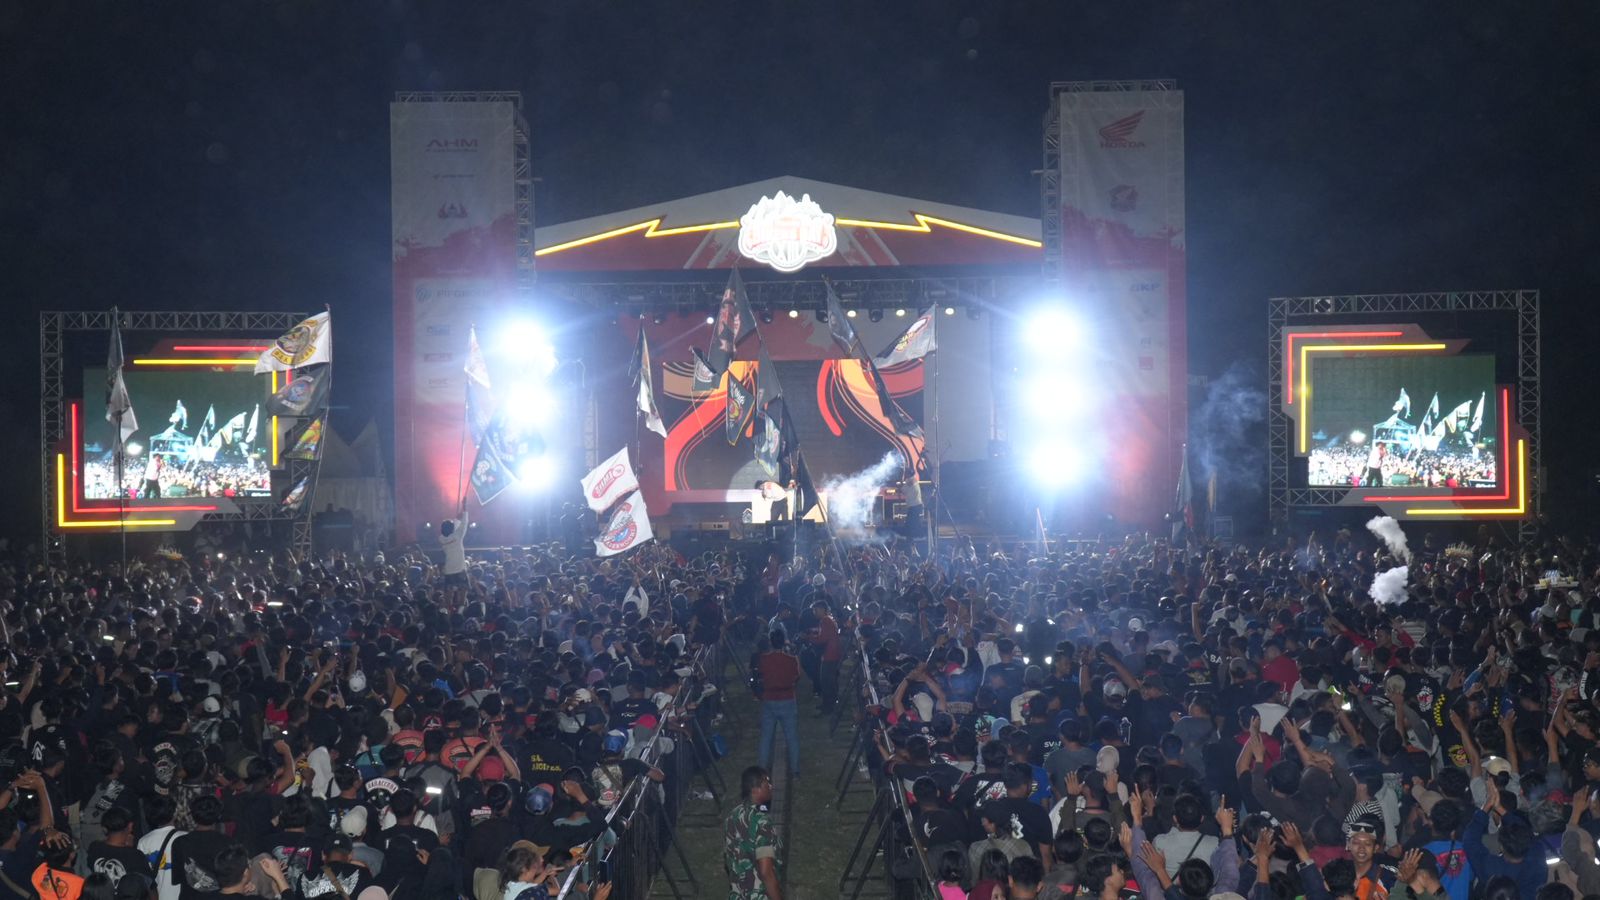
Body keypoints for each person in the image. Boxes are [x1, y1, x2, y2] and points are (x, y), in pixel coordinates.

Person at [724, 767, 782, 900]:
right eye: (767, 783)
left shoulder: (732, 816)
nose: (771, 786)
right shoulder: (762, 823)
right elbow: (766, 872)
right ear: (755, 790)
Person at [756, 631, 801, 779]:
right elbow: (797, 675)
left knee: (766, 737)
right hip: (787, 698)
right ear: (784, 641)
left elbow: (761, 675)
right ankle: (795, 770)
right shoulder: (791, 660)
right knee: (791, 736)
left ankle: (762, 769)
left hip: (769, 698)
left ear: (770, 642)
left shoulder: (764, 659)